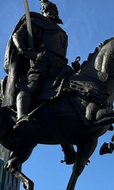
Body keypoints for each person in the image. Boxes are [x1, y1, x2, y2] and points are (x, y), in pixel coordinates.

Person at [4, 0, 70, 130]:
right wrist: (24, 50)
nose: (54, 12)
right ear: (44, 11)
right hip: (44, 61)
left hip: (61, 64)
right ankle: (21, 115)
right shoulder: (37, 22)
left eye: (55, 10)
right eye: (50, 10)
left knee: (73, 87)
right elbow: (17, 35)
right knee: (31, 85)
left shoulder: (61, 31)